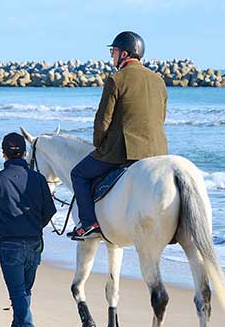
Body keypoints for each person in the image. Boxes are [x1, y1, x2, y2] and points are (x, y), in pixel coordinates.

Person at [69, 31, 168, 240]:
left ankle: (88, 223)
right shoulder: (158, 80)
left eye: (113, 51)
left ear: (124, 54)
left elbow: (103, 119)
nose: (111, 56)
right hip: (158, 151)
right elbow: (162, 116)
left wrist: (99, 144)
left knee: (78, 174)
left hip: (124, 151)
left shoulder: (116, 79)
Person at [0, 132, 57, 327]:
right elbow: (49, 211)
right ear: (24, 153)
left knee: (18, 291)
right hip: (34, 243)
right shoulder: (39, 179)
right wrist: (34, 226)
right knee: (24, 290)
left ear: (3, 154)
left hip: (10, 244)